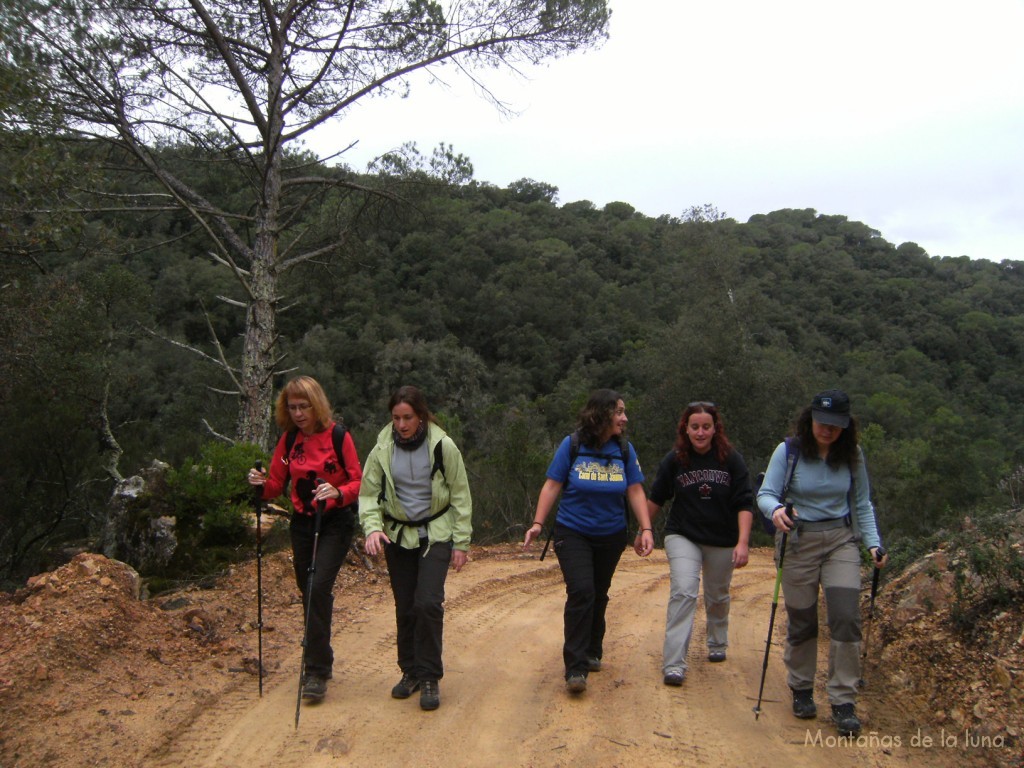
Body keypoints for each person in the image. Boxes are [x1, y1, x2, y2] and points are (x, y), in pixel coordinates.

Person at [756, 388, 887, 737]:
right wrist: (777, 510)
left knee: (846, 616)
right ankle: (801, 688)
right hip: (798, 540)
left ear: (846, 426)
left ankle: (843, 699)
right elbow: (765, 494)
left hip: (840, 539)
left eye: (835, 424)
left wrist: (873, 544)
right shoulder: (789, 451)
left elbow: (862, 504)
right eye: (821, 422)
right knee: (802, 620)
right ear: (810, 419)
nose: (827, 430)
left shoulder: (853, 456)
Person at [523, 389, 654, 695]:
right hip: (573, 531)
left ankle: (594, 649)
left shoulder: (624, 450)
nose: (624, 418)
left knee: (599, 592)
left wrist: (645, 528)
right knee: (581, 591)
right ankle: (576, 667)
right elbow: (552, 484)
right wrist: (538, 524)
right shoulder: (573, 445)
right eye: (619, 412)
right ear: (602, 414)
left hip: (611, 534)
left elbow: (635, 490)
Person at [247, 375, 362, 703]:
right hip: (302, 522)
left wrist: (337, 492)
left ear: (317, 405)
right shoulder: (288, 443)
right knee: (309, 591)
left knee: (317, 586)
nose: (298, 413)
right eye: (292, 407)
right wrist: (257, 483)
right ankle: (321, 659)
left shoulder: (339, 437)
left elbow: (358, 481)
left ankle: (314, 670)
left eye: (304, 406)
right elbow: (275, 485)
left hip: (335, 522)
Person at [359, 385, 472, 712]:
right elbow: (369, 494)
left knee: (427, 604)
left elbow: (461, 495)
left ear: (421, 416)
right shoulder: (381, 449)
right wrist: (372, 528)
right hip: (397, 535)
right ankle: (409, 670)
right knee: (405, 606)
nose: (402, 424)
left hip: (436, 533)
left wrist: (461, 542)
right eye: (396, 418)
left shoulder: (443, 446)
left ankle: (429, 676)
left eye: (408, 417)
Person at [644, 401, 753, 687]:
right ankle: (674, 664)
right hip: (683, 534)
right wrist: (644, 529)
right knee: (683, 592)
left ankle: (717, 641)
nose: (701, 433)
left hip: (722, 539)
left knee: (717, 595)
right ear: (686, 429)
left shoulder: (731, 460)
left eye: (706, 427)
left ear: (716, 429)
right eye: (695, 427)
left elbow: (744, 502)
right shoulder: (675, 460)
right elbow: (657, 497)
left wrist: (743, 542)